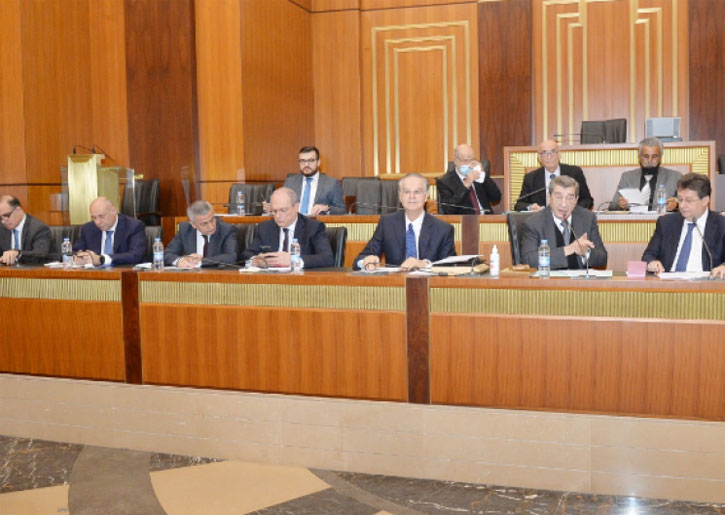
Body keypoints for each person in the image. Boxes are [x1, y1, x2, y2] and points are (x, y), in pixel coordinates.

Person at [355, 173, 456, 270]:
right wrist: (366, 261)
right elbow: (359, 259)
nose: (412, 196)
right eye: (407, 192)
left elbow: (450, 267)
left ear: (426, 196)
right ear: (400, 196)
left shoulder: (443, 229)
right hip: (395, 281)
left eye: (417, 192)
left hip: (428, 281)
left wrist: (425, 265)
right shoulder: (387, 224)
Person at [642, 173, 725, 278]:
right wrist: (652, 262)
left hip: (705, 284)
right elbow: (648, 255)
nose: (682, 205)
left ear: (705, 201)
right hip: (670, 283)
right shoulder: (666, 223)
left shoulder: (721, 225)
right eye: (680, 199)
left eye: (689, 201)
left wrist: (723, 267)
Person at [521, 175, 607, 269]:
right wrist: (569, 249)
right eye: (558, 197)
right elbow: (528, 260)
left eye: (569, 198)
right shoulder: (534, 223)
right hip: (550, 278)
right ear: (549, 197)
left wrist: (586, 252)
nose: (564, 204)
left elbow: (602, 258)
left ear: (576, 200)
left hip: (579, 278)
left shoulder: (587, 218)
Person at [240, 187, 334, 269]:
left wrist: (293, 260)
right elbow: (246, 255)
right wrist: (256, 260)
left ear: (296, 207)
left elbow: (327, 258)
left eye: (283, 210)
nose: (278, 216)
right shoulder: (265, 227)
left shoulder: (313, 227)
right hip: (271, 279)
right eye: (274, 211)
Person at [514, 139, 593, 211]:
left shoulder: (574, 173)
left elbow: (587, 200)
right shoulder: (530, 178)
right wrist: (530, 207)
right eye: (544, 153)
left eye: (553, 152)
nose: (549, 157)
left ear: (559, 154)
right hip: (542, 220)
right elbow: (519, 205)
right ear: (539, 158)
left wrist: (571, 210)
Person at [610, 137, 681, 211]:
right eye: (646, 156)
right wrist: (620, 205)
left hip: (662, 218)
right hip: (634, 218)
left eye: (654, 156)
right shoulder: (627, 177)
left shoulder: (675, 177)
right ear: (639, 157)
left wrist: (676, 204)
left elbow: (686, 202)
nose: (650, 160)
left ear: (660, 157)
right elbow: (612, 206)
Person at [73, 197, 146, 266]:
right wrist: (79, 257)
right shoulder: (88, 229)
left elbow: (136, 255)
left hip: (122, 273)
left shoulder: (133, 226)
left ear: (113, 211)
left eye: (101, 216)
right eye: (94, 217)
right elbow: (74, 252)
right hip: (94, 273)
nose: (97, 222)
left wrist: (101, 259)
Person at [164, 200, 237, 268]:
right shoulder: (185, 229)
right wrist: (180, 261)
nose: (211, 226)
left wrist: (201, 261)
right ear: (193, 224)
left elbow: (231, 257)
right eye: (204, 224)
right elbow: (167, 254)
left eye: (212, 220)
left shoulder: (226, 230)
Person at [437, 144, 501, 214]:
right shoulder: (445, 182)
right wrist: (466, 184)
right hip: (464, 219)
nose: (469, 164)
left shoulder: (478, 176)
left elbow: (496, 198)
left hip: (486, 219)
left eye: (472, 159)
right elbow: (449, 210)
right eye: (465, 160)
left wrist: (483, 176)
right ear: (456, 161)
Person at [282, 145, 346, 215]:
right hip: (295, 220)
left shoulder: (331, 183)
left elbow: (342, 210)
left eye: (311, 160)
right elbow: (280, 205)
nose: (306, 164)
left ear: (318, 162)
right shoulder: (290, 182)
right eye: (302, 161)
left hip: (318, 221)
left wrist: (327, 208)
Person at [0, 195, 51, 265]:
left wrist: (18, 254)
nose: (3, 221)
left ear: (18, 210)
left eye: (6, 216)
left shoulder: (38, 228)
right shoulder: (1, 228)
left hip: (31, 270)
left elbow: (40, 255)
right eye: (1, 218)